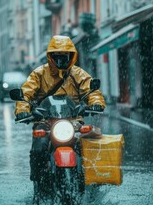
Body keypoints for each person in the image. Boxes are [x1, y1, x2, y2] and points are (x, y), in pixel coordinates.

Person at [14, 35, 105, 181]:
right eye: (57, 56)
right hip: (45, 120)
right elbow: (26, 93)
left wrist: (96, 103)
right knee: (39, 146)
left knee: (87, 144)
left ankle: (90, 178)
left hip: (73, 120)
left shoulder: (78, 73)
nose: (61, 60)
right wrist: (23, 110)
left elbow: (91, 89)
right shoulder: (39, 74)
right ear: (50, 57)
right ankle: (39, 180)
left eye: (65, 56)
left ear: (71, 56)